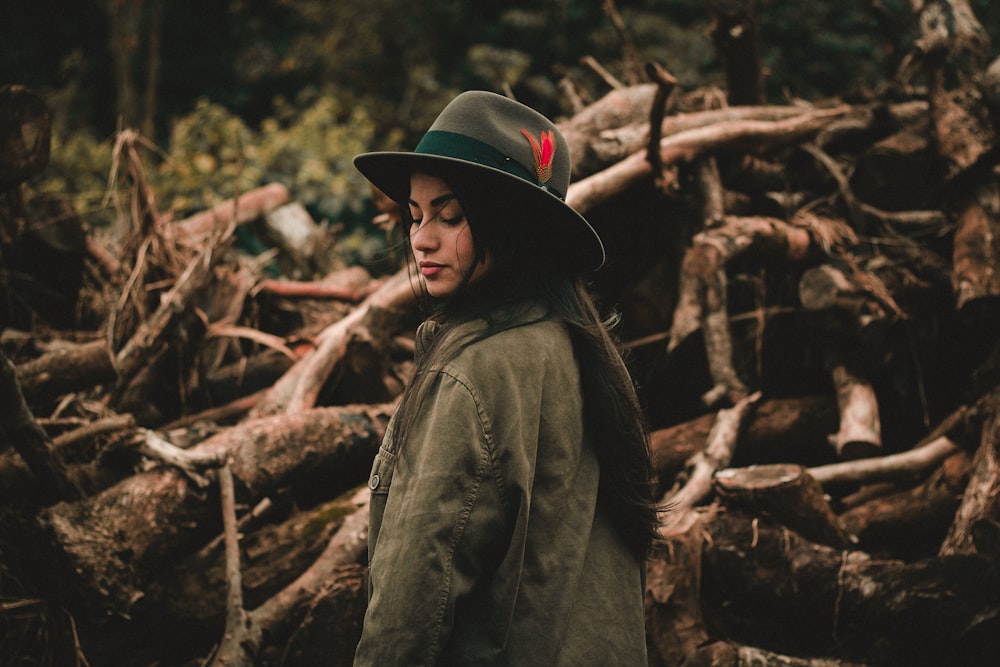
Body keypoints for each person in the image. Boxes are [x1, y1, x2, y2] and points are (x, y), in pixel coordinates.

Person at [351, 90, 658, 666]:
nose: (421, 239)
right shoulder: (580, 347)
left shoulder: (476, 371)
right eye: (415, 217)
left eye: (451, 215)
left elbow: (412, 597)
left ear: (511, 226)